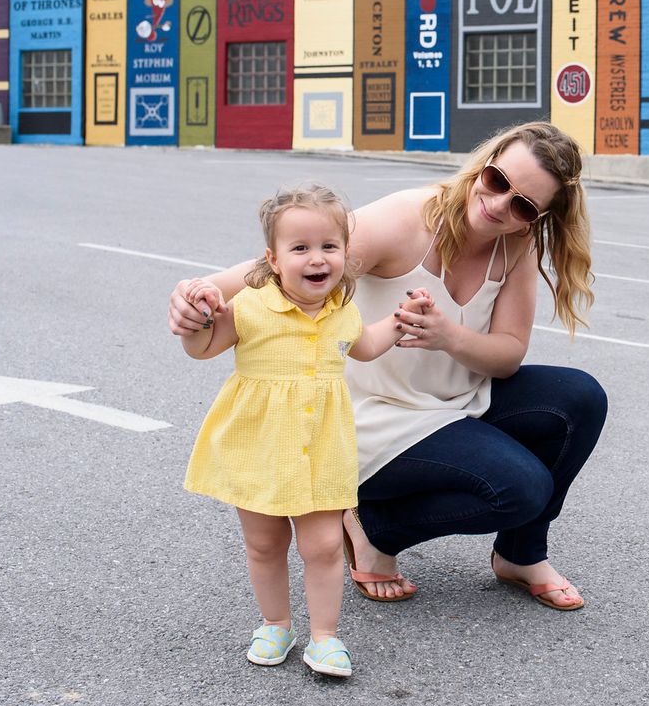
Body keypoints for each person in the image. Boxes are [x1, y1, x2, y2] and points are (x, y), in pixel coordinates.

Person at [170, 122, 606, 614]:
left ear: (539, 216)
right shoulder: (408, 219)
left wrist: (449, 336)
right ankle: (376, 529)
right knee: (521, 488)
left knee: (580, 397)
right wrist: (199, 293)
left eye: (523, 205)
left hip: (455, 403)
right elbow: (285, 264)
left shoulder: (517, 244)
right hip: (374, 416)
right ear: (484, 164)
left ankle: (520, 555)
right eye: (497, 180)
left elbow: (507, 355)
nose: (500, 204)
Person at [180, 184, 409, 677]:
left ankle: (324, 637)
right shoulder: (248, 305)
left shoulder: (343, 310)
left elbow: (366, 346)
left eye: (329, 246)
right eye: (300, 247)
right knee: (265, 544)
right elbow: (202, 349)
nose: (317, 258)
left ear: (345, 253)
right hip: (258, 447)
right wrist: (198, 320)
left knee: (323, 546)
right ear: (273, 259)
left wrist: (400, 321)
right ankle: (275, 624)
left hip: (322, 449)